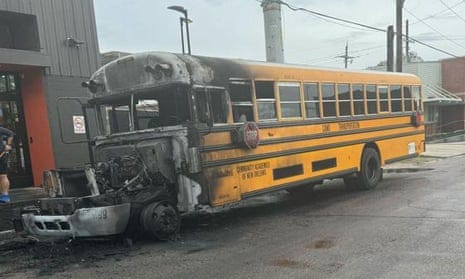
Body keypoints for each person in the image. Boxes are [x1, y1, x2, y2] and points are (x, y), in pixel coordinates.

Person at [0, 124, 14, 203]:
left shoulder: (0, 129)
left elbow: (10, 133)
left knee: (2, 176)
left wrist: (8, 145)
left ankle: (5, 196)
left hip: (1, 155)